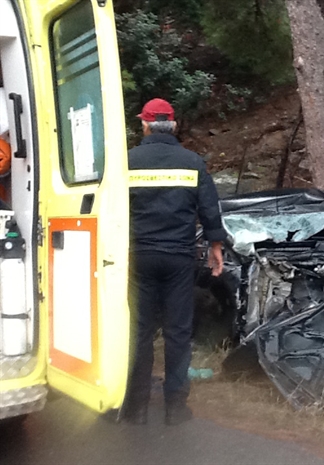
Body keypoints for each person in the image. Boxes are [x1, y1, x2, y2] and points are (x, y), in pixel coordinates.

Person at [123, 98, 226, 426]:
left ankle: (136, 407)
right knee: (178, 332)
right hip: (179, 258)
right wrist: (216, 246)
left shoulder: (127, 162)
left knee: (139, 331)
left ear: (145, 125)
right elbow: (209, 208)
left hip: (139, 257)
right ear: (174, 125)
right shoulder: (192, 162)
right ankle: (175, 408)